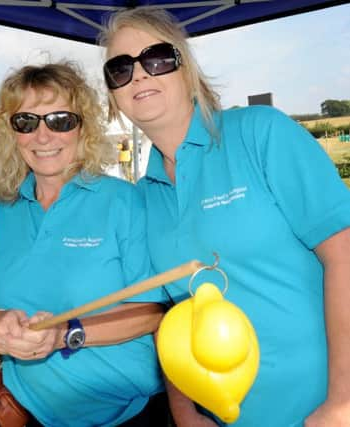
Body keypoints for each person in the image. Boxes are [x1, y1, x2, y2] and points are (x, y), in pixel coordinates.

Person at [99, 7, 350, 427]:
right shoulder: (144, 197)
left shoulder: (260, 133)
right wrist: (184, 412)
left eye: (156, 57)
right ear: (113, 93)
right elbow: (172, 315)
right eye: (120, 68)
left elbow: (344, 255)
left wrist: (343, 401)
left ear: (186, 67)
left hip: (318, 408)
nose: (139, 75)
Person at [0, 62, 168, 426]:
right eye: (26, 122)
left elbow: (151, 312)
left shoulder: (124, 202)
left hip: (125, 414)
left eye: (61, 120)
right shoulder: (5, 213)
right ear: (11, 133)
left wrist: (67, 334)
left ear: (84, 128)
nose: (43, 136)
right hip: (29, 412)